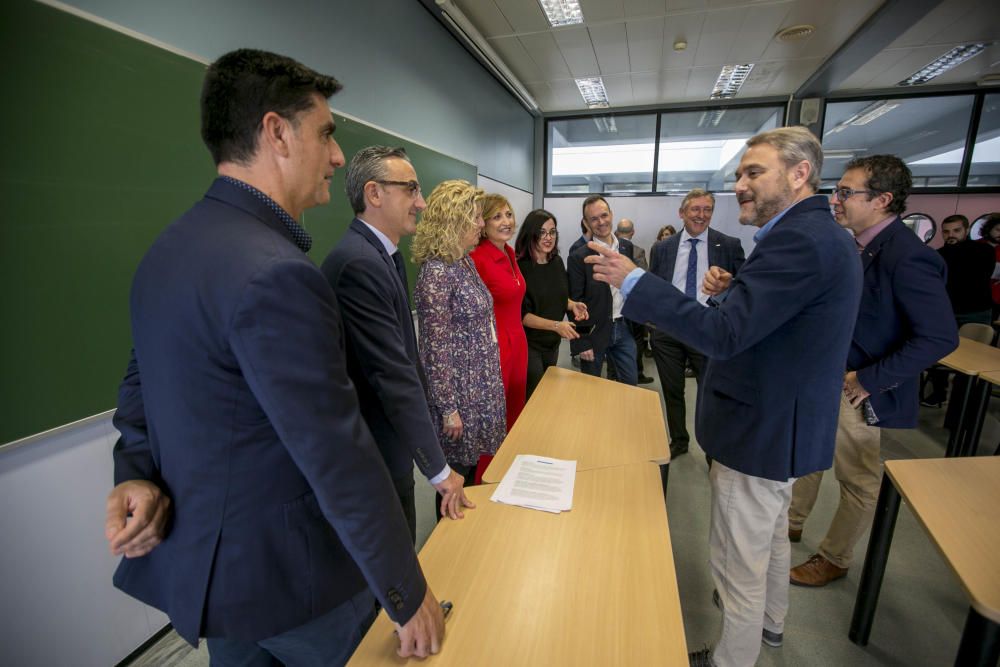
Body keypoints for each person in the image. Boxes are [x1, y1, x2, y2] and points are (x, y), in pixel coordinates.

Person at [103, 49, 444, 664]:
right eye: (327, 134)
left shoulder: (170, 249)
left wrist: (133, 469)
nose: (337, 156)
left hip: (221, 587)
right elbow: (336, 451)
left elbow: (140, 381)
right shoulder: (277, 273)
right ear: (277, 133)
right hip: (300, 589)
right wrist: (404, 586)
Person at [585, 126, 862, 667]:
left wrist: (637, 282)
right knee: (772, 539)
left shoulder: (798, 240)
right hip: (783, 425)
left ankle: (731, 659)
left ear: (800, 173)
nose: (740, 185)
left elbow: (725, 336)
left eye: (754, 172)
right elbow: (783, 322)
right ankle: (773, 626)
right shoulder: (818, 235)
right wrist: (735, 291)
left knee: (739, 562)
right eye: (739, 174)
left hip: (757, 431)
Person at [787, 156, 957, 587]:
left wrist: (868, 379)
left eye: (846, 193)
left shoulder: (908, 256)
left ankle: (835, 556)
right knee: (807, 457)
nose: (836, 201)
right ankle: (792, 520)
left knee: (858, 477)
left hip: (858, 387)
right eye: (837, 191)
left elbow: (939, 338)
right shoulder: (853, 245)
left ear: (881, 200)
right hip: (823, 377)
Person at [320, 146, 474, 541]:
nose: (421, 204)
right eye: (411, 190)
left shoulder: (384, 257)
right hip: (372, 449)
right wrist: (439, 470)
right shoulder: (359, 264)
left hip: (388, 443)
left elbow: (406, 356)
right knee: (392, 556)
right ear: (374, 194)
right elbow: (391, 374)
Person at [413, 180, 506, 509]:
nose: (481, 224)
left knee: (475, 475)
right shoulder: (436, 274)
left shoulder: (463, 260)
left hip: (481, 386)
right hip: (460, 398)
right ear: (455, 220)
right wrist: (449, 410)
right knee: (456, 481)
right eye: (476, 217)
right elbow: (433, 352)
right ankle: (451, 549)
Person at [648, 189, 745, 459]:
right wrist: (652, 325)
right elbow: (655, 286)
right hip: (669, 330)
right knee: (672, 390)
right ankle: (679, 440)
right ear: (682, 213)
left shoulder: (728, 245)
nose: (701, 215)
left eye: (707, 210)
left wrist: (727, 288)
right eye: (695, 209)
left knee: (709, 392)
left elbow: (743, 288)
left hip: (707, 327)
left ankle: (713, 449)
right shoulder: (662, 248)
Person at [515, 209, 588, 398]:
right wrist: (556, 325)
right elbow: (522, 315)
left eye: (552, 231)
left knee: (546, 395)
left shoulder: (556, 262)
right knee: (535, 398)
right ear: (530, 234)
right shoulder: (519, 267)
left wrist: (572, 305)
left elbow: (556, 295)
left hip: (552, 343)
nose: (548, 237)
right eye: (542, 232)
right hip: (530, 344)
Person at [470, 195, 529, 431]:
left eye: (508, 214)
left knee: (515, 415)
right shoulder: (477, 258)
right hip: (495, 348)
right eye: (496, 216)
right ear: (483, 224)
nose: (506, 221)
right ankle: (490, 469)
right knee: (493, 422)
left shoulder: (510, 252)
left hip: (518, 342)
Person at [568, 195, 638, 385]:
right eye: (594, 219)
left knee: (631, 386)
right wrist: (581, 342)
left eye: (604, 215)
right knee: (591, 389)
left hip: (623, 328)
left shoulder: (626, 248)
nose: (601, 222)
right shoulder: (578, 257)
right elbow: (574, 302)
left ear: (611, 215)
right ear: (586, 223)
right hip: (594, 332)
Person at [615, 218, 655, 384]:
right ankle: (637, 372)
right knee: (637, 340)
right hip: (634, 305)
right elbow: (643, 277)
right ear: (633, 232)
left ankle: (614, 376)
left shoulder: (612, 250)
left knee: (615, 342)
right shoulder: (638, 251)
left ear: (617, 232)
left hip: (615, 305)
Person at [977, 212, 1000, 320]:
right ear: (989, 229)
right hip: (971, 299)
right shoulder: (974, 247)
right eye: (998, 230)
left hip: (994, 300)